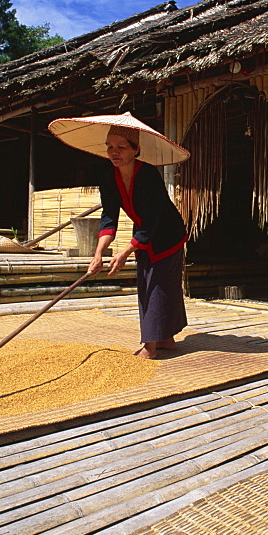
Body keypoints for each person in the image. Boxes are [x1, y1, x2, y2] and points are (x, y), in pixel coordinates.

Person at [48, 113, 190, 360]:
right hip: (144, 234)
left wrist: (125, 253)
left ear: (136, 149)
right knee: (149, 283)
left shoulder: (148, 175)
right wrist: (98, 254)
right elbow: (109, 218)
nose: (114, 152)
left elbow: (152, 219)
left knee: (157, 285)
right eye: (110, 147)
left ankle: (151, 346)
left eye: (121, 147)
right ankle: (166, 339)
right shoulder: (108, 178)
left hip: (166, 234)